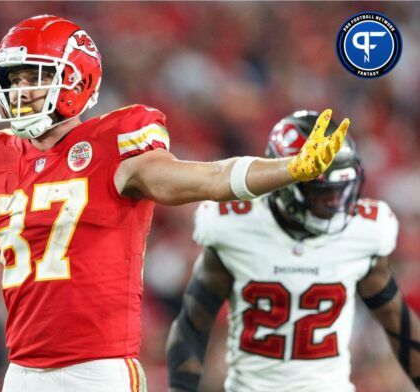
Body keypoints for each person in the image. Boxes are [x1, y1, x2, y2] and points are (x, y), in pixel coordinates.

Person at [0, 15, 349, 392]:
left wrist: (283, 171)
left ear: (75, 80)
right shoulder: (1, 156)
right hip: (24, 372)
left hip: (96, 372)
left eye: (31, 78)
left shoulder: (115, 143)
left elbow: (193, 179)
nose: (17, 92)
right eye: (11, 79)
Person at [166, 110, 420, 392]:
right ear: (285, 182)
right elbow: (194, 323)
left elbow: (400, 325)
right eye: (322, 192)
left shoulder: (363, 231)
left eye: (341, 190)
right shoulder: (234, 226)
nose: (335, 202)